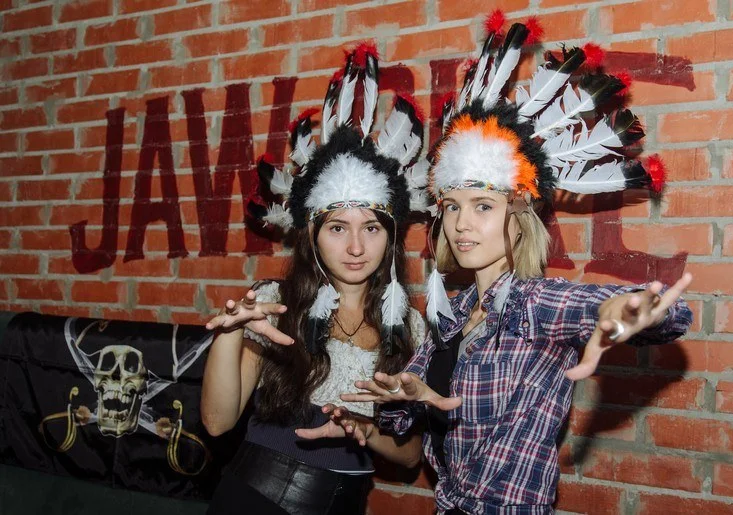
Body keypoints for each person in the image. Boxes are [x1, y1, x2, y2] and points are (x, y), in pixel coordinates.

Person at [339, 14, 694, 515]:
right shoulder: (452, 314)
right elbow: (400, 422)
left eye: (483, 206)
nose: (462, 224)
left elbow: (664, 314)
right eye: (452, 206)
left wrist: (627, 310)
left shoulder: (535, 303)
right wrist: (405, 394)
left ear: (519, 217)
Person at [200, 43, 429, 515]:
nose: (356, 247)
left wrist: (364, 428)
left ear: (391, 237)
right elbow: (218, 423)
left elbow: (410, 456)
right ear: (313, 236)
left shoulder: (409, 326)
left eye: (371, 228)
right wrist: (229, 334)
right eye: (338, 228)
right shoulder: (275, 304)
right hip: (257, 499)